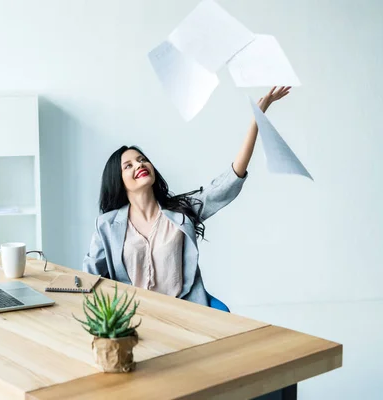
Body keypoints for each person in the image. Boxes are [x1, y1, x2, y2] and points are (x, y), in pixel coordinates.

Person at [82, 86, 291, 308]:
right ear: (118, 180)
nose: (140, 165)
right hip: (133, 316)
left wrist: (256, 119)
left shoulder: (182, 210)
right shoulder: (107, 225)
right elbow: (89, 277)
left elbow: (229, 181)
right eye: (128, 165)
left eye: (142, 160)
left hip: (184, 309)